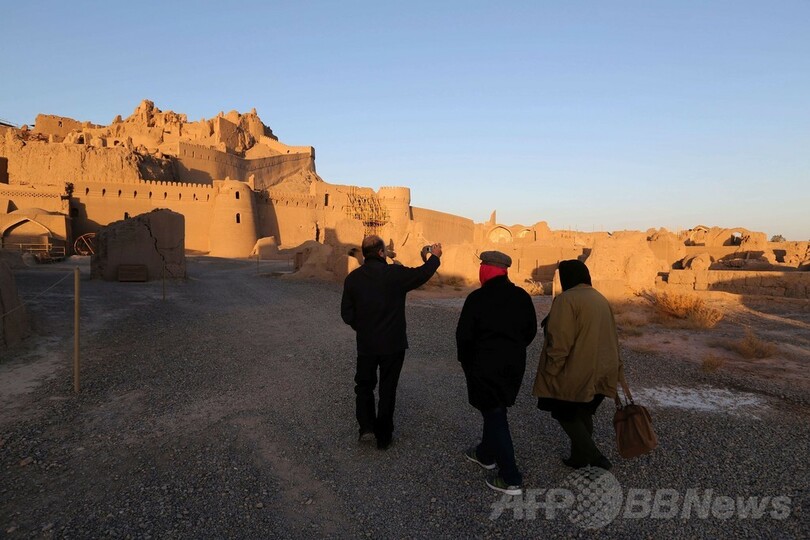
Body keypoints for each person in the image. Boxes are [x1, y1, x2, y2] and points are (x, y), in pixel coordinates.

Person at [341, 235, 442, 450]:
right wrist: (434, 257)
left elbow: (346, 314)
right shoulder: (394, 274)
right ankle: (384, 437)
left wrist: (363, 328)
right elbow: (421, 274)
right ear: (380, 253)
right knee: (388, 389)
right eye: (384, 251)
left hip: (367, 345)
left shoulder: (353, 279)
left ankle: (366, 428)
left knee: (364, 386)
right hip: (393, 345)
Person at [456, 251, 537, 496]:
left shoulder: (477, 298)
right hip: (513, 367)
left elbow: (464, 337)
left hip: (483, 368)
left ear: (488, 270)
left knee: (495, 414)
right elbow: (530, 331)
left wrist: (466, 362)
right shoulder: (521, 296)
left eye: (482, 266)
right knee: (495, 408)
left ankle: (511, 477)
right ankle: (485, 454)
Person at [532, 259, 623, 470]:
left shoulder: (567, 299)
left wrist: (552, 370)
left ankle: (595, 456)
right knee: (583, 412)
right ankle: (578, 458)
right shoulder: (599, 298)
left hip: (576, 370)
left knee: (564, 413)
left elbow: (560, 340)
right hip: (601, 367)